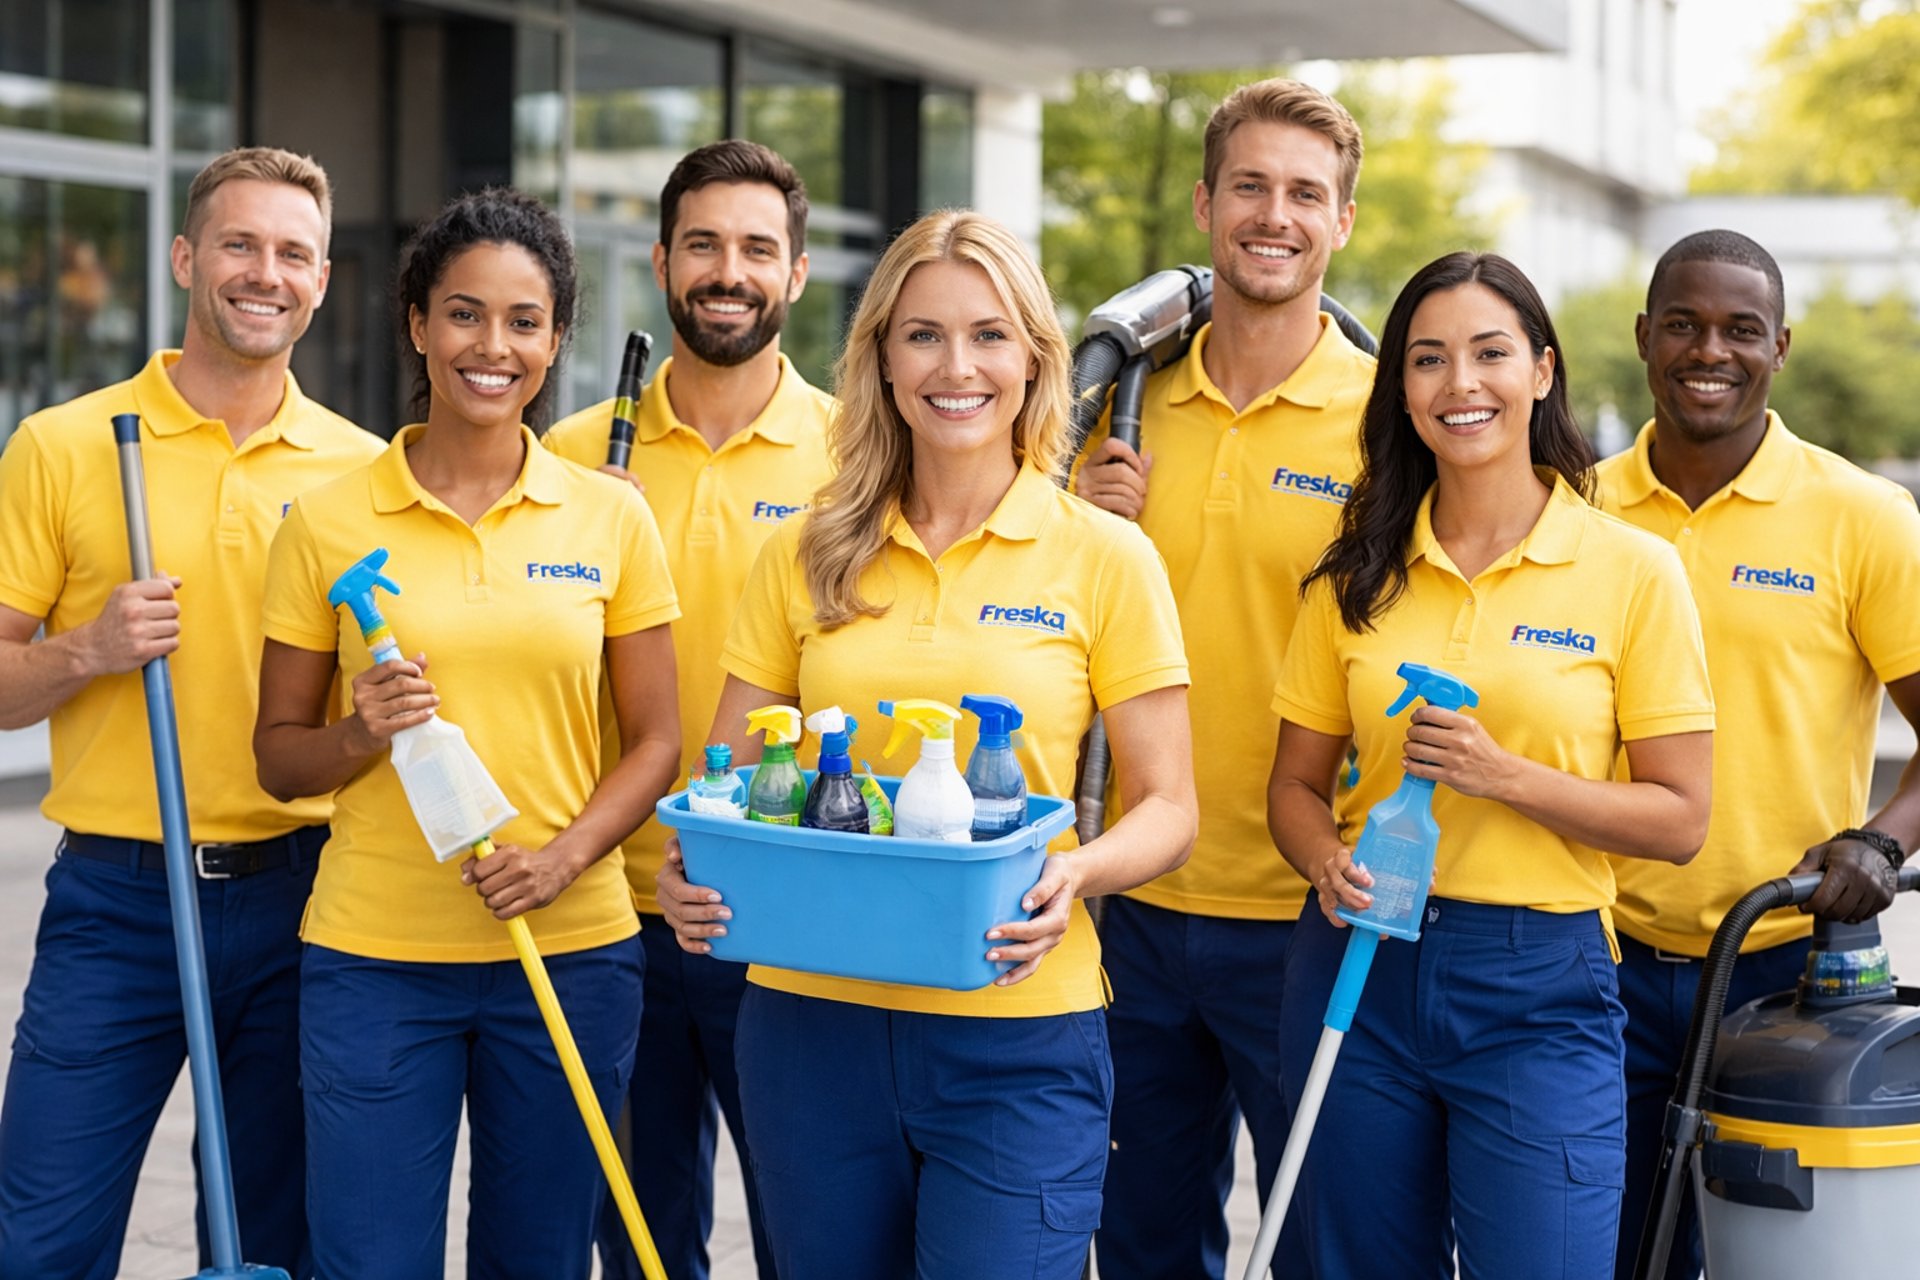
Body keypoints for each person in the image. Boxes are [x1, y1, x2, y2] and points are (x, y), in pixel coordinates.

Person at [657, 209, 1199, 1277]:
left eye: (990, 335)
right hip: (811, 1024)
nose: (958, 366)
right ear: (882, 362)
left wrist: (1075, 870)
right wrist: (691, 872)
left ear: (1038, 362)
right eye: (924, 336)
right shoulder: (804, 553)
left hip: (1016, 1025)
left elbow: (1172, 807)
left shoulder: (1105, 556)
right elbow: (722, 785)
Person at [252, 187, 683, 1277]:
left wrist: (565, 857)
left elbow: (656, 739)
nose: (493, 346)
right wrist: (361, 732)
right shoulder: (328, 521)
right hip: (376, 959)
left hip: (571, 952)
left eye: (524, 321)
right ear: (416, 322)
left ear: (554, 341)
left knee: (538, 1257)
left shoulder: (611, 516)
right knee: (368, 1258)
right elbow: (277, 757)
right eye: (463, 313)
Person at [1267, 251, 1716, 1279]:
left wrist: (1504, 773)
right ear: (1402, 390)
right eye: (1428, 359)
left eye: (1489, 353)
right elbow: (1293, 787)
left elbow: (1680, 817)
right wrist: (1323, 861)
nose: (1459, 383)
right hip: (1360, 961)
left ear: (1543, 370)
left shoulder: (1633, 571)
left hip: (1539, 979)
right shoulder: (1356, 574)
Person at [0, 147, 382, 1279]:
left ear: (320, 282)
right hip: (115, 907)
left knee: (272, 1237)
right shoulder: (65, 445)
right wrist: (91, 647)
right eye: (239, 243)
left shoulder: (361, 475)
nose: (266, 272)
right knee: (40, 1236)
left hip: (301, 900)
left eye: (293, 253)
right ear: (185, 257)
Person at [1071, 78, 1375, 1279]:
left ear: (1342, 222)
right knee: (1141, 1240)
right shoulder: (1118, 406)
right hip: (1129, 901)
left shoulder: (1389, 422)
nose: (1275, 214)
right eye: (1250, 185)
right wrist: (1073, 517)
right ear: (1206, 205)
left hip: (1310, 908)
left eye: (1306, 193)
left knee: (1315, 1239)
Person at [1598, 230, 1920, 1280]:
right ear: (1644, 338)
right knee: (1611, 1253)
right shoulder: (1574, 504)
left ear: (1780, 346)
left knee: (1770, 1260)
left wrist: (1882, 838)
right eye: (1683, 324)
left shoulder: (1862, 517)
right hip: (1593, 964)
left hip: (1786, 973)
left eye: (1741, 329)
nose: (1710, 350)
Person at [546, 138, 832, 1280]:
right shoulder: (566, 459)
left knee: (807, 1226)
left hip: (786, 913)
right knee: (642, 1238)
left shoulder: (861, 454)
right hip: (613, 911)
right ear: (662, 262)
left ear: (797, 274)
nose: (730, 270)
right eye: (704, 244)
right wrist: (575, 529)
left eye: (759, 248)